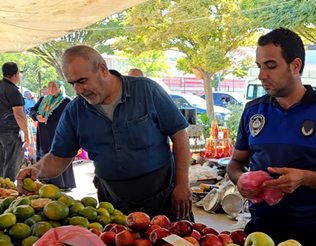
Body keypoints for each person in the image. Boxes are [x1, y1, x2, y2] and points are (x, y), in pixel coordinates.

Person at [16, 46, 193, 220]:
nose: (77, 91)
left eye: (82, 81)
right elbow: (57, 158)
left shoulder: (146, 90)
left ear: (102, 69)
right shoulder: (74, 111)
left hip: (162, 191)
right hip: (113, 200)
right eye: (72, 84)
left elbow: (179, 136)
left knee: (177, 244)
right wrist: (35, 169)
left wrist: (182, 184)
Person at [228, 28, 316, 246]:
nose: (261, 76)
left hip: (308, 237)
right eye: (259, 66)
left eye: (270, 66)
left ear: (295, 66)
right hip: (258, 233)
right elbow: (235, 164)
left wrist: (303, 178)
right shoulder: (253, 111)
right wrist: (240, 179)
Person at [29, 81, 76, 190]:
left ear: (60, 88)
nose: (51, 88)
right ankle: (46, 182)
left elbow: (73, 116)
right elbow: (32, 110)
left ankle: (63, 184)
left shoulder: (66, 101)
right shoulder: (43, 100)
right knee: (45, 154)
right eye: (49, 86)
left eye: (54, 86)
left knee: (59, 155)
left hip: (60, 133)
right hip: (44, 133)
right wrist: (37, 116)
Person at [0, 62, 29, 180]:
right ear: (16, 74)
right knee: (12, 164)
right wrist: (26, 133)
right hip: (10, 132)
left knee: (1, 164)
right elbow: (19, 115)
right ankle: (8, 190)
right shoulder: (13, 91)